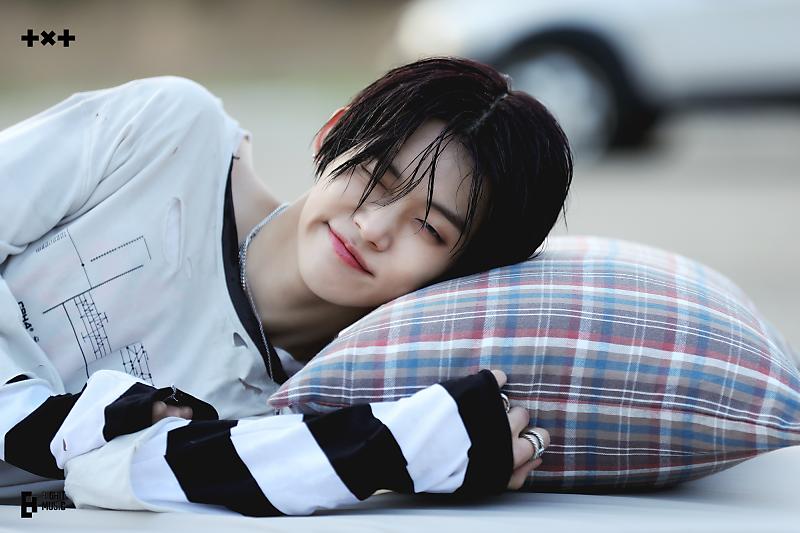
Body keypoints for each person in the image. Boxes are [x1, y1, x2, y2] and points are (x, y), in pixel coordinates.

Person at [0, 57, 571, 515]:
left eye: (428, 228)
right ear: (334, 132)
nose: (374, 227)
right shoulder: (169, 133)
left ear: (463, 273)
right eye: (376, 174)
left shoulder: (300, 412)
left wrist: (393, 449)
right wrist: (37, 417)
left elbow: (104, 480)